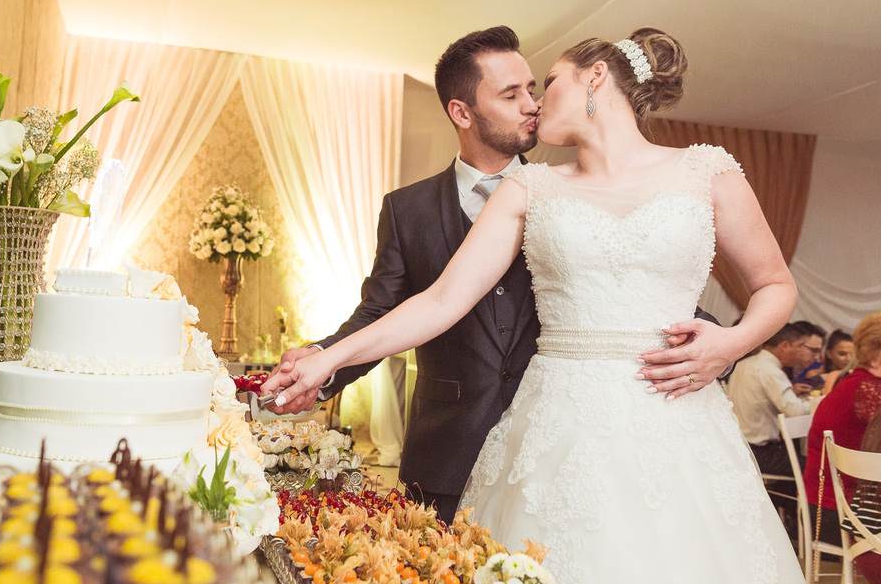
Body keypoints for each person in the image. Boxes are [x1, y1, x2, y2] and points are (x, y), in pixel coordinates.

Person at [264, 28, 837, 584]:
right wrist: (327, 357)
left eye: (549, 82)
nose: (537, 103)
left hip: (677, 422)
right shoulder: (531, 188)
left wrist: (730, 343)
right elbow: (440, 300)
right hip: (558, 427)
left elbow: (775, 285)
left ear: (596, 78)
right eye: (521, 92)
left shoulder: (708, 171)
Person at [267, 26, 708, 523]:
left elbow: (641, 281)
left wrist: (718, 345)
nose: (532, 105)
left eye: (533, 89)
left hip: (555, 446)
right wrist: (323, 363)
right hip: (446, 452)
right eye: (511, 94)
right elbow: (383, 310)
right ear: (462, 112)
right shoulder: (407, 209)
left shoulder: (571, 194)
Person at [803, 312, 881, 549]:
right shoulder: (870, 390)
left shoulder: (853, 382)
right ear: (876, 357)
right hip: (843, 516)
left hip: (828, 506)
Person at [726, 321, 825, 476]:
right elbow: (796, 411)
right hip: (761, 453)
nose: (800, 351)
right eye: (799, 346)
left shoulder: (743, 364)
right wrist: (824, 401)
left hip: (739, 447)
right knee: (821, 468)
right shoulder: (770, 370)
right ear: (785, 346)